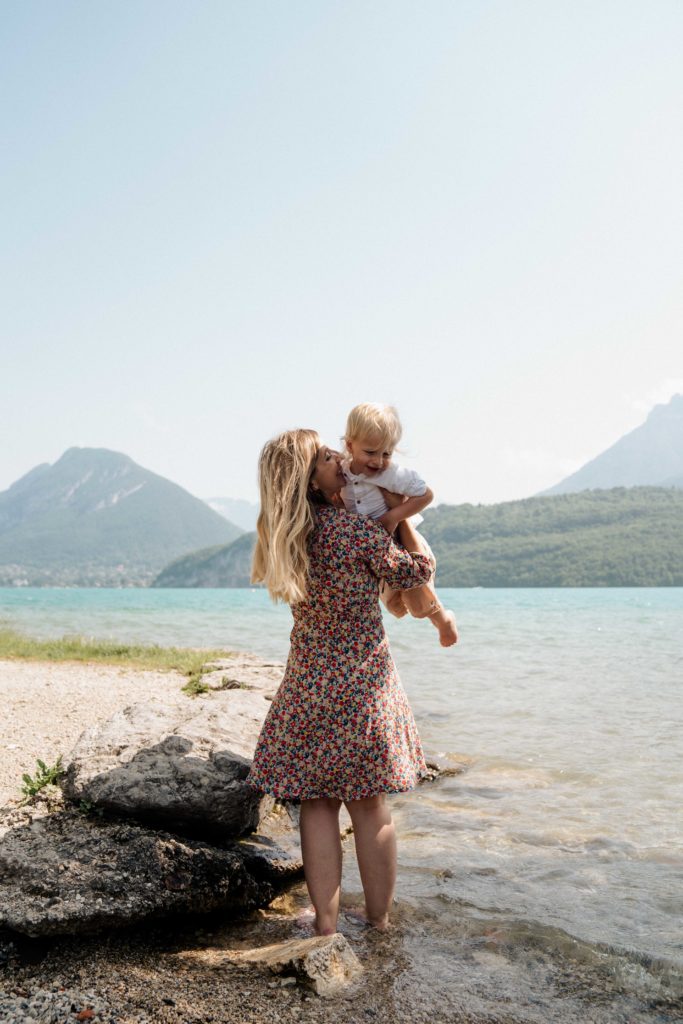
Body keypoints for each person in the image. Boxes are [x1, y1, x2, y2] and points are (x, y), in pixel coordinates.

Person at [247, 429, 439, 935]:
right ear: (310, 478)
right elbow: (415, 572)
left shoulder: (282, 535)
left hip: (308, 687)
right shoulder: (351, 531)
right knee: (370, 806)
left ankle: (326, 926)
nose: (340, 459)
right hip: (362, 686)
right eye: (327, 457)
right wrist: (401, 516)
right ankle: (378, 922)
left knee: (317, 804)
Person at [341, 402, 458, 648]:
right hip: (375, 549)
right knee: (394, 601)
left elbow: (426, 495)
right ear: (350, 445)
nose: (379, 461)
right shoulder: (342, 472)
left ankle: (443, 620)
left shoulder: (392, 474)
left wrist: (395, 515)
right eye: (371, 452)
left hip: (402, 542)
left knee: (418, 595)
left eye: (387, 453)